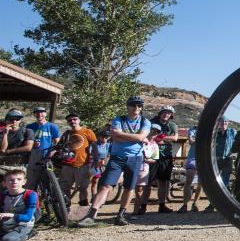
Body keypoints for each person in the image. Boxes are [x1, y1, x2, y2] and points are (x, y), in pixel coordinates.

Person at [77, 96, 151, 227]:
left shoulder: (145, 122)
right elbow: (114, 135)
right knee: (105, 185)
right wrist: (134, 138)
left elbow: (140, 136)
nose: (136, 108)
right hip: (117, 157)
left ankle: (121, 215)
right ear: (128, 106)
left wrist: (122, 135)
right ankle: (91, 215)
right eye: (133, 105)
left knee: (129, 188)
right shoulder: (119, 119)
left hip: (135, 158)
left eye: (139, 106)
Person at [143, 105, 179, 214]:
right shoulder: (151, 122)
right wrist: (157, 139)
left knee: (163, 181)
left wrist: (161, 138)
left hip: (166, 155)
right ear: (160, 113)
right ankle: (143, 205)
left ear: (171, 115)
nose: (166, 114)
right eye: (164, 112)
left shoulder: (172, 125)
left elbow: (175, 138)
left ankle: (162, 205)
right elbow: (148, 136)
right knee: (148, 181)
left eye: (168, 113)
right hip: (152, 154)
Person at [58, 114, 96, 207]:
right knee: (64, 188)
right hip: (67, 165)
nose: (73, 121)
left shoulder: (87, 131)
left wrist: (96, 160)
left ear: (79, 120)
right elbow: (58, 147)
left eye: (75, 119)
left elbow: (96, 146)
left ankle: (83, 210)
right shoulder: (66, 134)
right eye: (70, 120)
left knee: (83, 188)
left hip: (83, 165)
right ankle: (65, 210)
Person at [0, 167, 38, 241]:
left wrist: (11, 215)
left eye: (19, 179)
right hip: (6, 223)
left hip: (23, 223)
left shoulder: (30, 194)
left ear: (24, 182)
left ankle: (29, 234)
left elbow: (28, 217)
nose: (15, 182)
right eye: (11, 180)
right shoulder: (3, 195)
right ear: (4, 183)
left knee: (7, 240)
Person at [24, 107, 60, 189]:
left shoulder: (52, 126)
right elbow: (26, 142)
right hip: (34, 155)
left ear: (45, 114)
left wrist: (53, 152)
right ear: (35, 114)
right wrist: (33, 145)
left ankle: (46, 197)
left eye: (42, 112)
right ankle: (32, 197)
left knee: (48, 178)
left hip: (48, 155)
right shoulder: (30, 127)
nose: (39, 114)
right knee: (32, 178)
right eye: (37, 112)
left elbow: (57, 142)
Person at [208, 117, 236, 213]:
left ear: (228, 123)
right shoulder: (215, 133)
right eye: (222, 122)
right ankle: (212, 204)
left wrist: (234, 154)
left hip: (227, 159)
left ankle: (225, 205)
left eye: (225, 122)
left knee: (225, 182)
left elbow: (236, 144)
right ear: (218, 123)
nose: (224, 123)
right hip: (216, 159)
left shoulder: (232, 132)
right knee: (214, 182)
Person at [178, 126, 201, 213]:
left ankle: (195, 203)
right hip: (192, 158)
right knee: (188, 182)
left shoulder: (208, 130)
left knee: (200, 183)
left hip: (203, 158)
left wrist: (197, 140)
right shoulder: (193, 129)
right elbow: (191, 142)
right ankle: (185, 204)